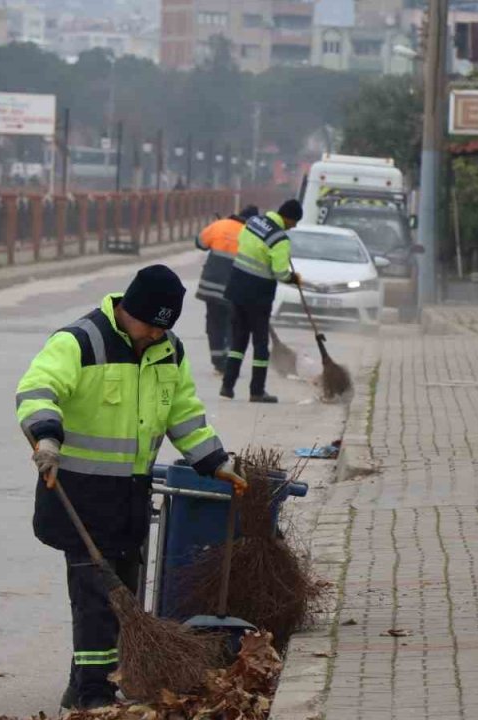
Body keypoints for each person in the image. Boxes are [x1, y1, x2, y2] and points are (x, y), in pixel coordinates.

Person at [15, 265, 247, 712]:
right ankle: (95, 695)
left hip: (130, 497)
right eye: (151, 324)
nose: (157, 334)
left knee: (122, 596)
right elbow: (37, 388)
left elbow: (182, 412)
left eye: (165, 327)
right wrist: (46, 436)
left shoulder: (168, 349)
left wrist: (215, 461)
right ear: (127, 310)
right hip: (79, 494)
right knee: (96, 598)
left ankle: (83, 679)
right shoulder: (79, 342)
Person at [221, 199, 303, 403]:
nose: (294, 227)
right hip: (258, 296)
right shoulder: (279, 239)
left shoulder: (253, 222)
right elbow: (280, 272)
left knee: (238, 341)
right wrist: (294, 278)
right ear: (288, 218)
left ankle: (227, 386)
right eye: (294, 223)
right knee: (260, 345)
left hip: (237, 289)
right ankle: (256, 391)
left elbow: (243, 244)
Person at [194, 205, 258, 375]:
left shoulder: (219, 225)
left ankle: (217, 361)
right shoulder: (251, 235)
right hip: (235, 290)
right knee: (233, 324)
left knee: (214, 323)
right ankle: (230, 360)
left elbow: (200, 243)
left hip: (211, 287)